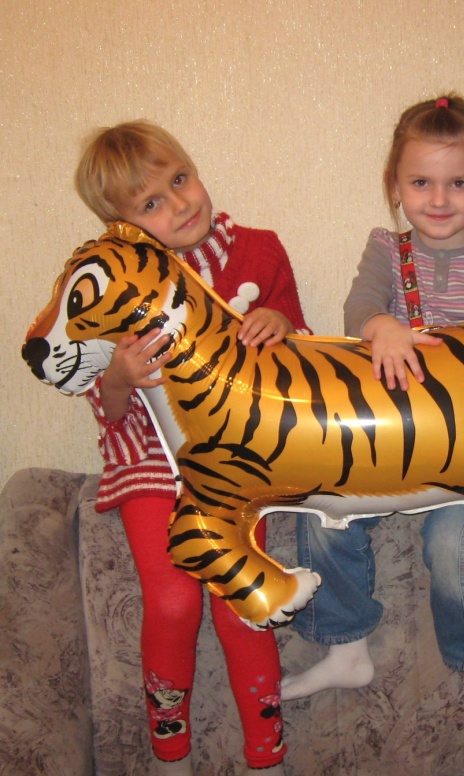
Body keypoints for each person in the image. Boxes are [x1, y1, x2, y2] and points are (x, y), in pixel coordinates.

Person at [280, 93, 464, 729]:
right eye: (421, 183)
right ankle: (345, 647)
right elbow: (358, 309)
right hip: (389, 448)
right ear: (395, 185)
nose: (439, 199)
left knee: (454, 548)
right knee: (321, 514)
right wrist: (381, 326)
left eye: (458, 183)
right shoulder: (387, 251)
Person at [74, 120, 311, 775]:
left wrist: (283, 325)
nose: (180, 204)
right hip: (151, 464)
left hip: (238, 464)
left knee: (241, 603)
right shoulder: (112, 281)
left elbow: (305, 366)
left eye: (180, 179)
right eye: (151, 202)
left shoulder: (259, 251)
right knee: (174, 601)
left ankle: (267, 755)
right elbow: (107, 411)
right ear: (122, 224)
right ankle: (169, 754)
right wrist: (119, 375)